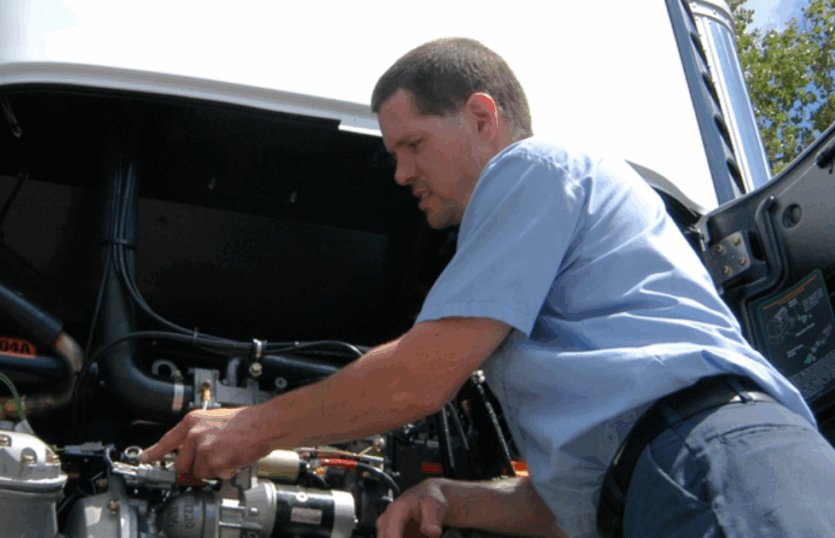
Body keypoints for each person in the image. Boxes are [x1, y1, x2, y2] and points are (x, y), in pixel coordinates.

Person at [142, 38, 835, 537]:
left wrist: (254, 427)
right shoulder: (548, 278)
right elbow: (570, 503)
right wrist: (449, 495)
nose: (400, 174)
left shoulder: (533, 169)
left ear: (481, 115)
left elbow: (420, 378)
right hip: (666, 488)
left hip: (715, 463)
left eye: (412, 145)